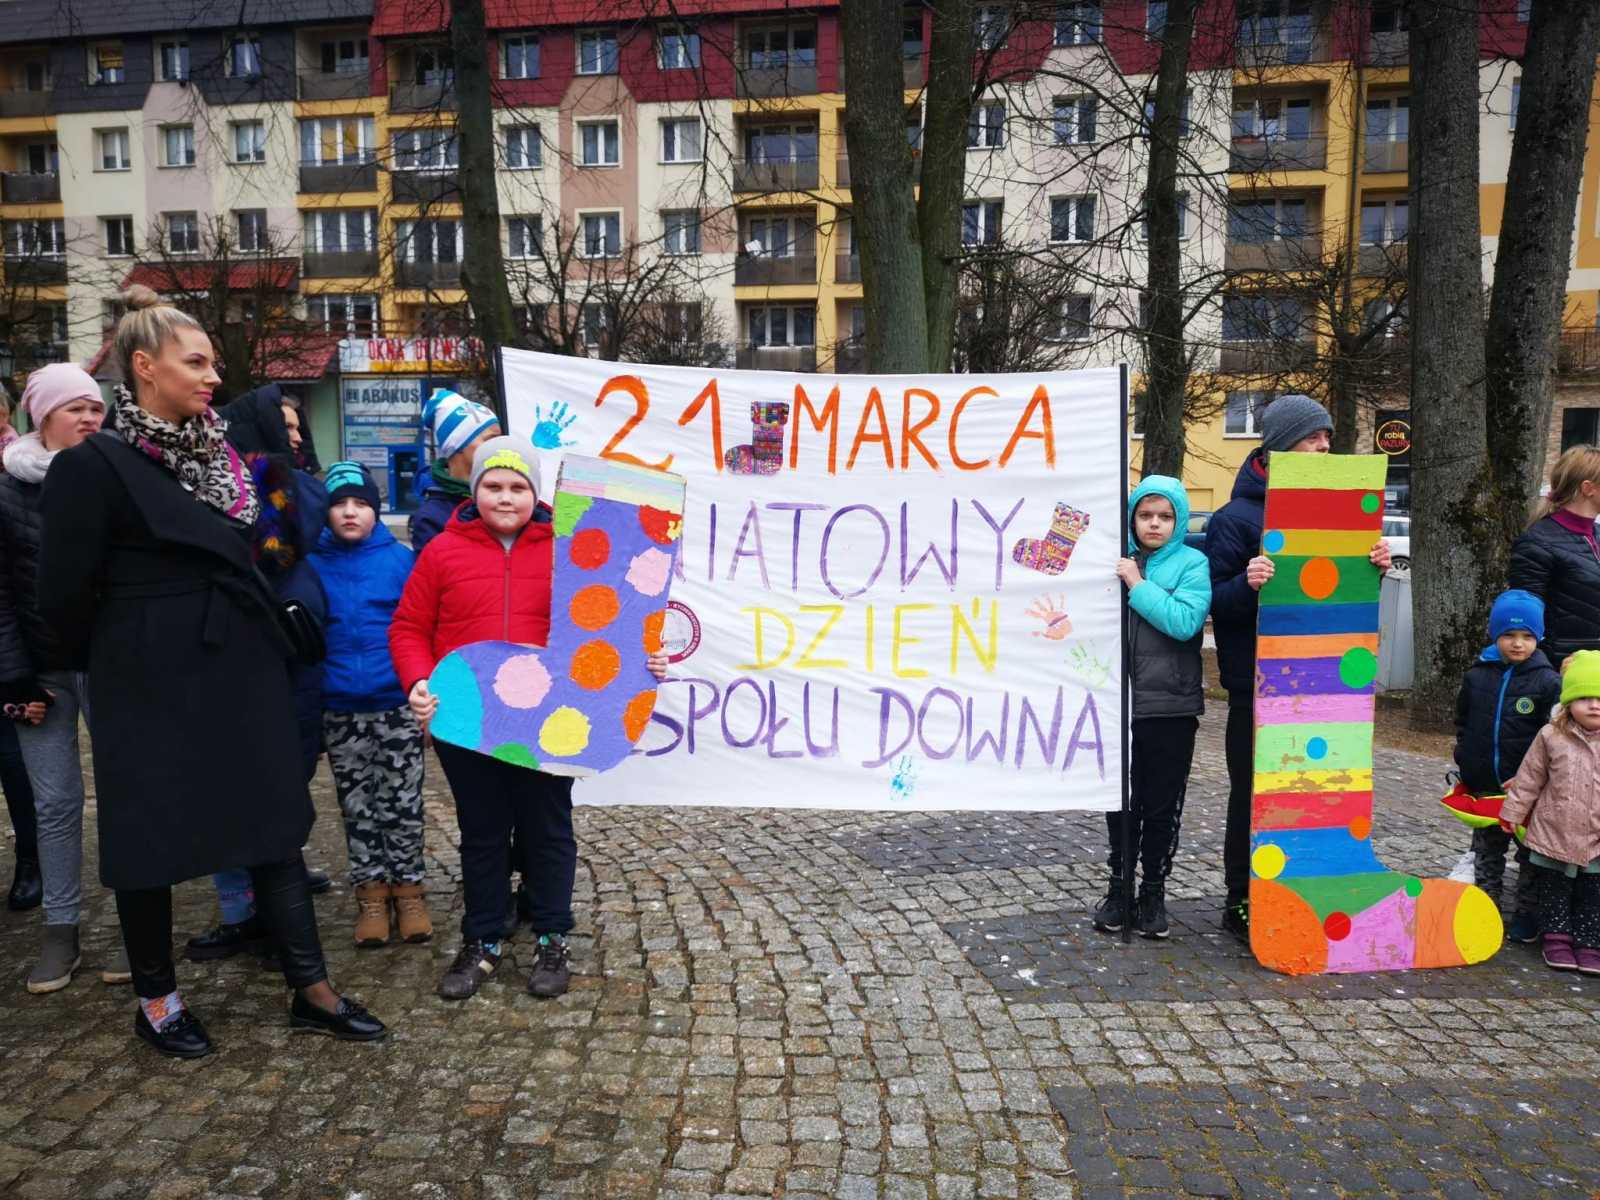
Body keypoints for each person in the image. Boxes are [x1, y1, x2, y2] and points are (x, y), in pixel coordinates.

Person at [37, 286, 384, 1057]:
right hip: (145, 680)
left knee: (274, 825)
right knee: (148, 841)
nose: (213, 377)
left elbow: (268, 549)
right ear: (144, 366)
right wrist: (129, 653)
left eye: (213, 364)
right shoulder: (93, 465)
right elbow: (60, 598)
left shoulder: (227, 459)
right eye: (195, 362)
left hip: (242, 666)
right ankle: (158, 1001)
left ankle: (312, 989)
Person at [390, 435, 670, 1001]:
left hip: (549, 719)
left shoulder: (568, 549)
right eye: (493, 485)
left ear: (535, 493)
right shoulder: (443, 552)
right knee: (483, 832)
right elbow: (409, 627)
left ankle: (551, 935)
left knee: (547, 828)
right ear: (474, 490)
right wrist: (418, 680)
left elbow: (612, 621)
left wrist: (645, 659)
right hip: (468, 719)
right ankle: (483, 937)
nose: (505, 497)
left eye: (518, 486)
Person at [1206, 394, 1391, 939]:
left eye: (1328, 437)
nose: (1324, 446)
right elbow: (1216, 603)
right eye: (1313, 437)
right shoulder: (1235, 519)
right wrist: (1247, 583)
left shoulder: (1339, 511)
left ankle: (1306, 887)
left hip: (1323, 682)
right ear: (1281, 447)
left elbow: (1336, 596)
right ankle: (1242, 898)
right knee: (1254, 793)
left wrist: (1372, 568)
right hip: (1258, 684)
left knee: (1312, 789)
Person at [185, 385, 333, 964]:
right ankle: (245, 914)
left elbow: (302, 530)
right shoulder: (219, 491)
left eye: (298, 427)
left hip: (290, 668)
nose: (295, 436)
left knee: (277, 793)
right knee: (232, 793)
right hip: (234, 666)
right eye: (285, 426)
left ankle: (275, 915)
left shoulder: (294, 493)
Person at [0, 364, 129, 991]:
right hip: (42, 672)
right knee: (54, 803)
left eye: (95, 407)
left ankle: (137, 922)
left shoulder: (116, 477)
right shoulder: (6, 489)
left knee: (127, 790)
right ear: (41, 415)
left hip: (111, 663)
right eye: (75, 408)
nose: (89, 418)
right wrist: (14, 680)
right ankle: (61, 930)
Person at [310, 461, 430, 947]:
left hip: (395, 703)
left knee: (403, 802)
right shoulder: (312, 564)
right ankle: (372, 896)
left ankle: (409, 891)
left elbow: (419, 626)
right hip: (340, 707)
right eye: (339, 503)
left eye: (360, 503)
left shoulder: (399, 561)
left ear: (375, 511)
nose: (350, 512)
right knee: (357, 805)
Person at [1094, 475, 1211, 939]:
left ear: (1178, 521)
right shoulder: (1115, 558)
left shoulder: (1192, 563)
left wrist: (1137, 583)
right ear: (1133, 519)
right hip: (1118, 703)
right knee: (1121, 803)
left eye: (1165, 516)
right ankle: (1119, 888)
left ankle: (1153, 892)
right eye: (1145, 515)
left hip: (1170, 708)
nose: (1154, 524)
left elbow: (1184, 621)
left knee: (1161, 804)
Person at [1452, 590, 1561, 944]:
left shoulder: (1548, 682)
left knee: (1530, 855)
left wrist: (1533, 778)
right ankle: (1484, 907)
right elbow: (1463, 721)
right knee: (1486, 851)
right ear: (1494, 634)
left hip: (1527, 792)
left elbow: (1554, 736)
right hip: (1486, 788)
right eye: (1509, 635)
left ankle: (1527, 913)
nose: (1517, 643)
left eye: (1527, 636)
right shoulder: (1477, 676)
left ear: (1538, 637)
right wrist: (1465, 756)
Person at [1499, 650, 1600, 974]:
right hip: (1555, 831)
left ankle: (1589, 940)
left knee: (1592, 891)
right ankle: (1556, 939)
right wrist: (1513, 812)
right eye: (1584, 697)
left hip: (1596, 838)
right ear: (1568, 702)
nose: (1594, 705)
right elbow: (1529, 778)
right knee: (1555, 888)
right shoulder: (1551, 736)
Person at [1509, 445, 1600, 671]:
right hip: (1561, 671)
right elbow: (1523, 622)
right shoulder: (1537, 543)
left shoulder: (1596, 534)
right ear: (1588, 488)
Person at [409, 387, 500, 553]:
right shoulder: (431, 518)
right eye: (490, 439)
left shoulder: (507, 496)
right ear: (458, 445)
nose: (500, 446)